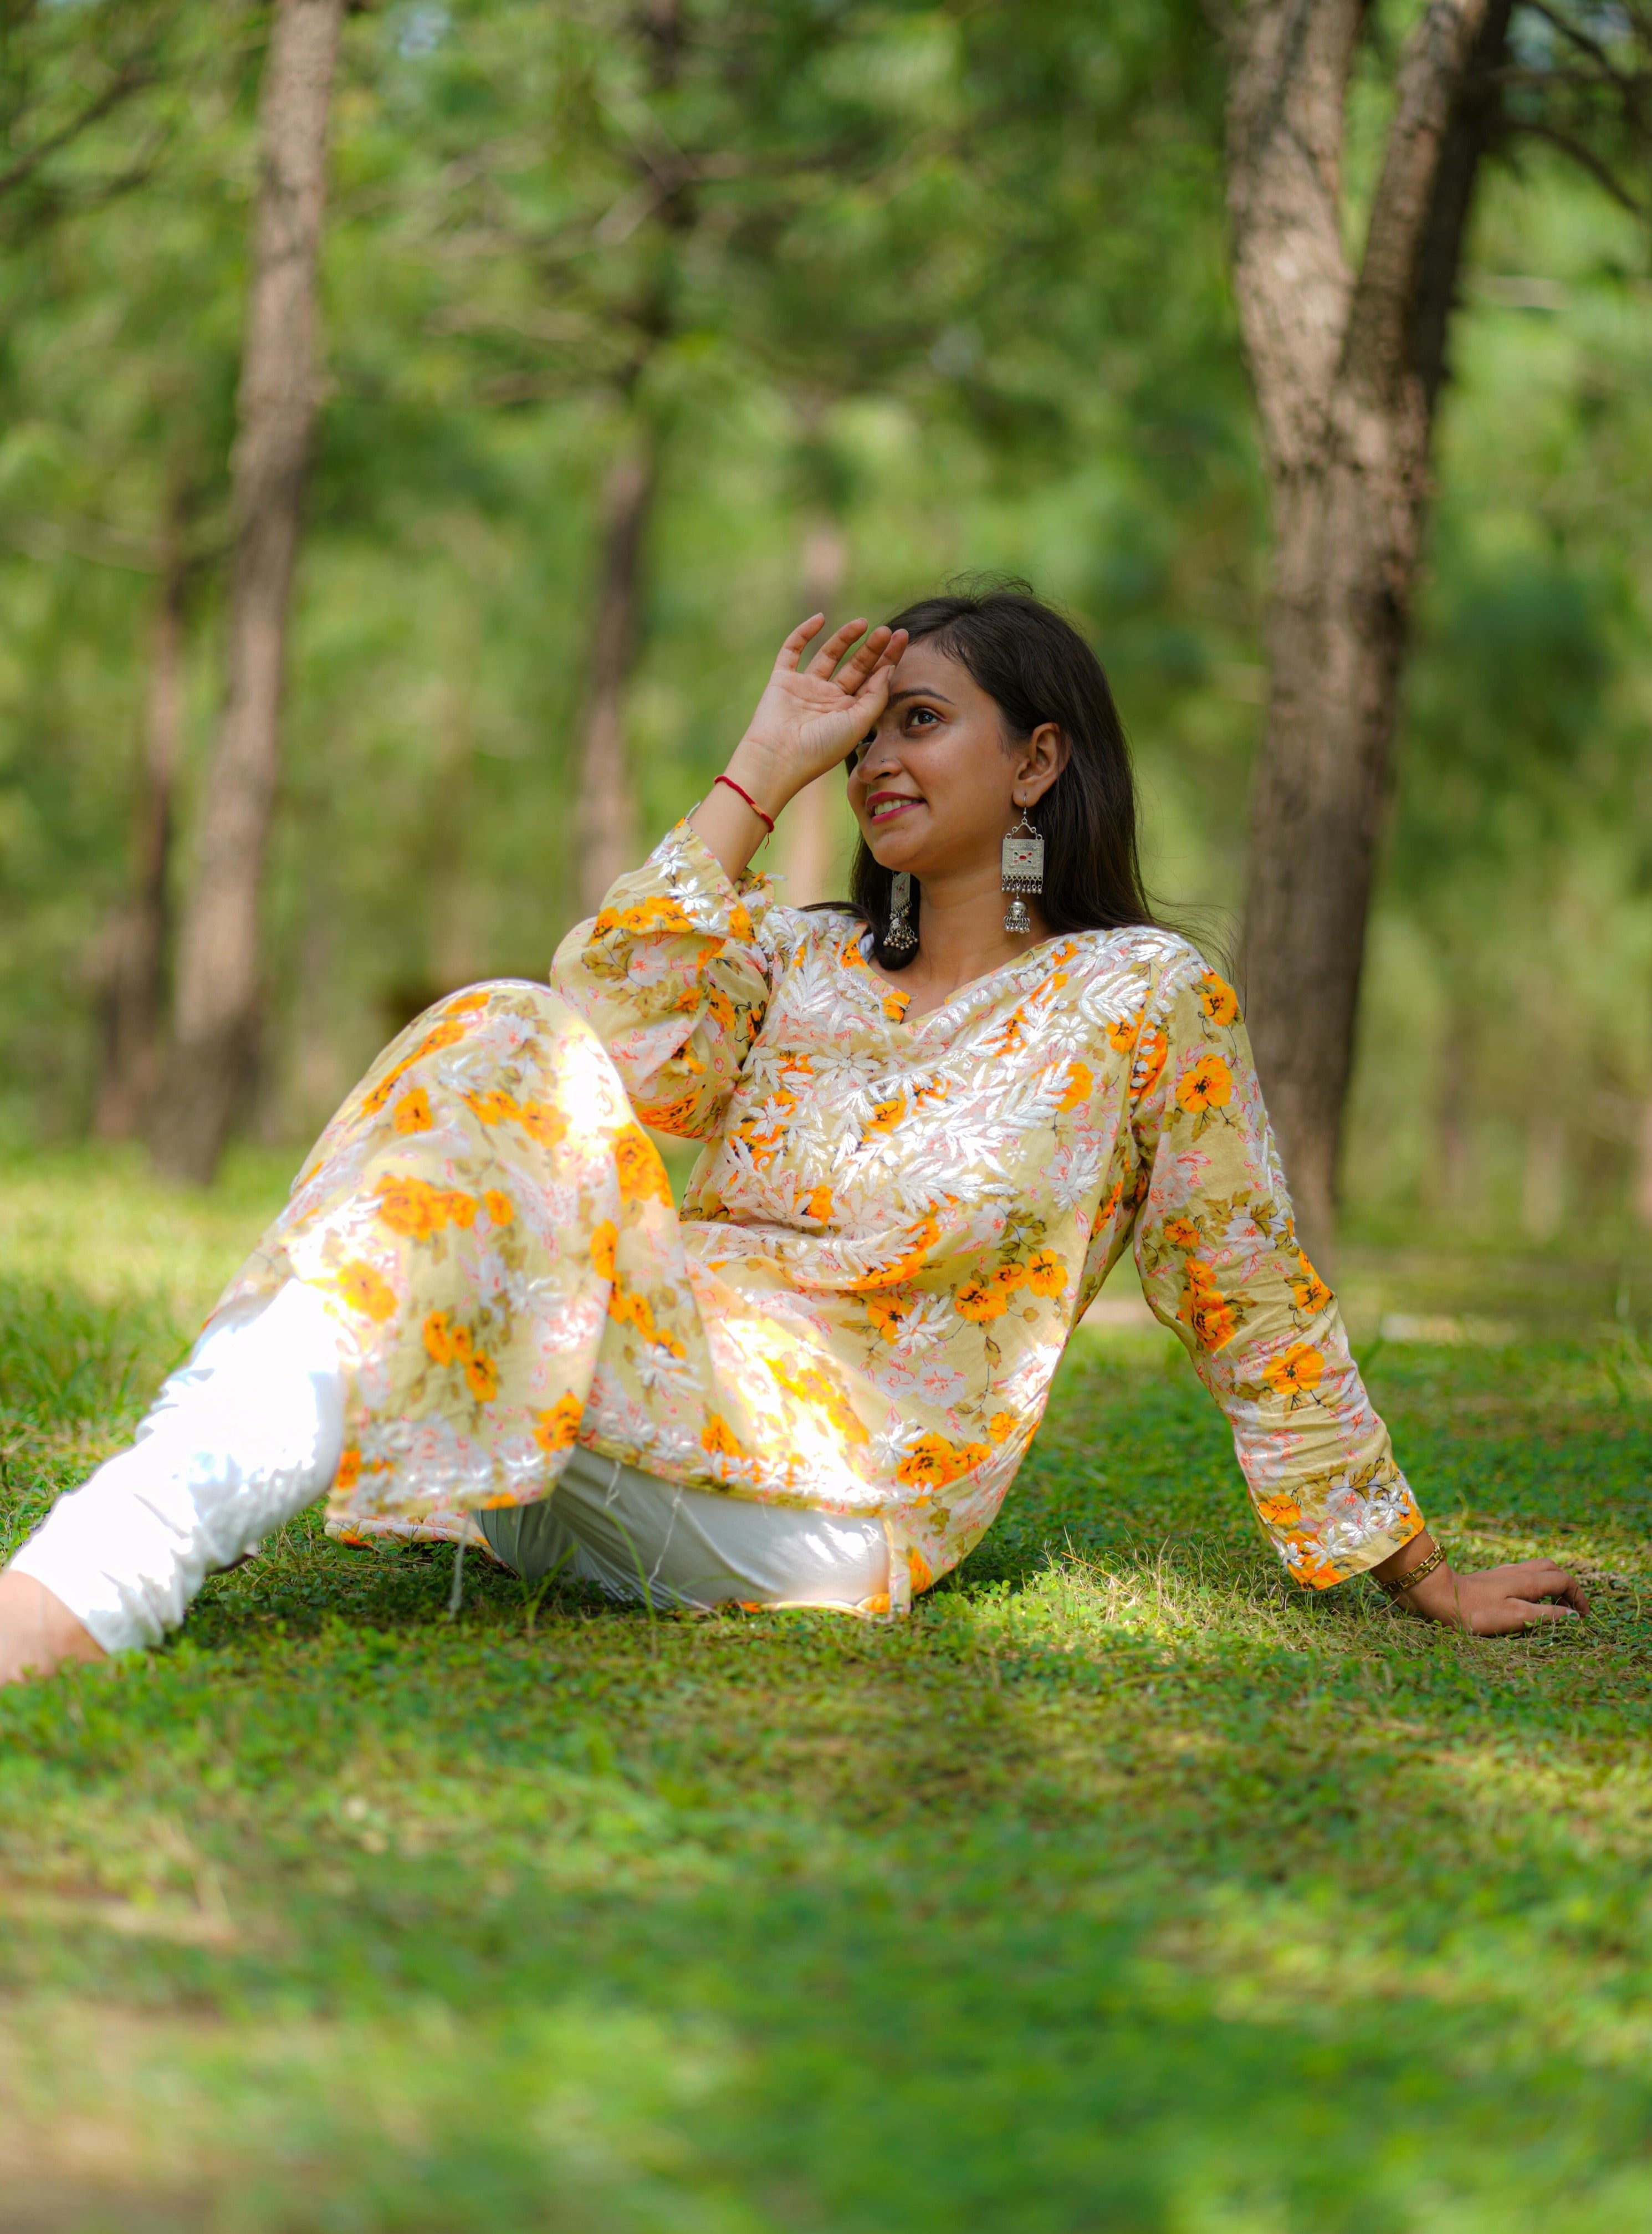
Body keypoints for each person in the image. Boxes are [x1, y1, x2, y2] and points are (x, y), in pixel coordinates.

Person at [0, 585, 1585, 1684]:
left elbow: (1255, 1292)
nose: (876, 760)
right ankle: (111, 1557)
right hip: (620, 1407)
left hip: (832, 1502)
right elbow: (608, 1037)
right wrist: (760, 767)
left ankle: (81, 1585)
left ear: (1039, 762)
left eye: (921, 723)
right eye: (863, 733)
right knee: (501, 1026)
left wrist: (1414, 1569)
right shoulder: (806, 953)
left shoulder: (1142, 1001)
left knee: (474, 1110)